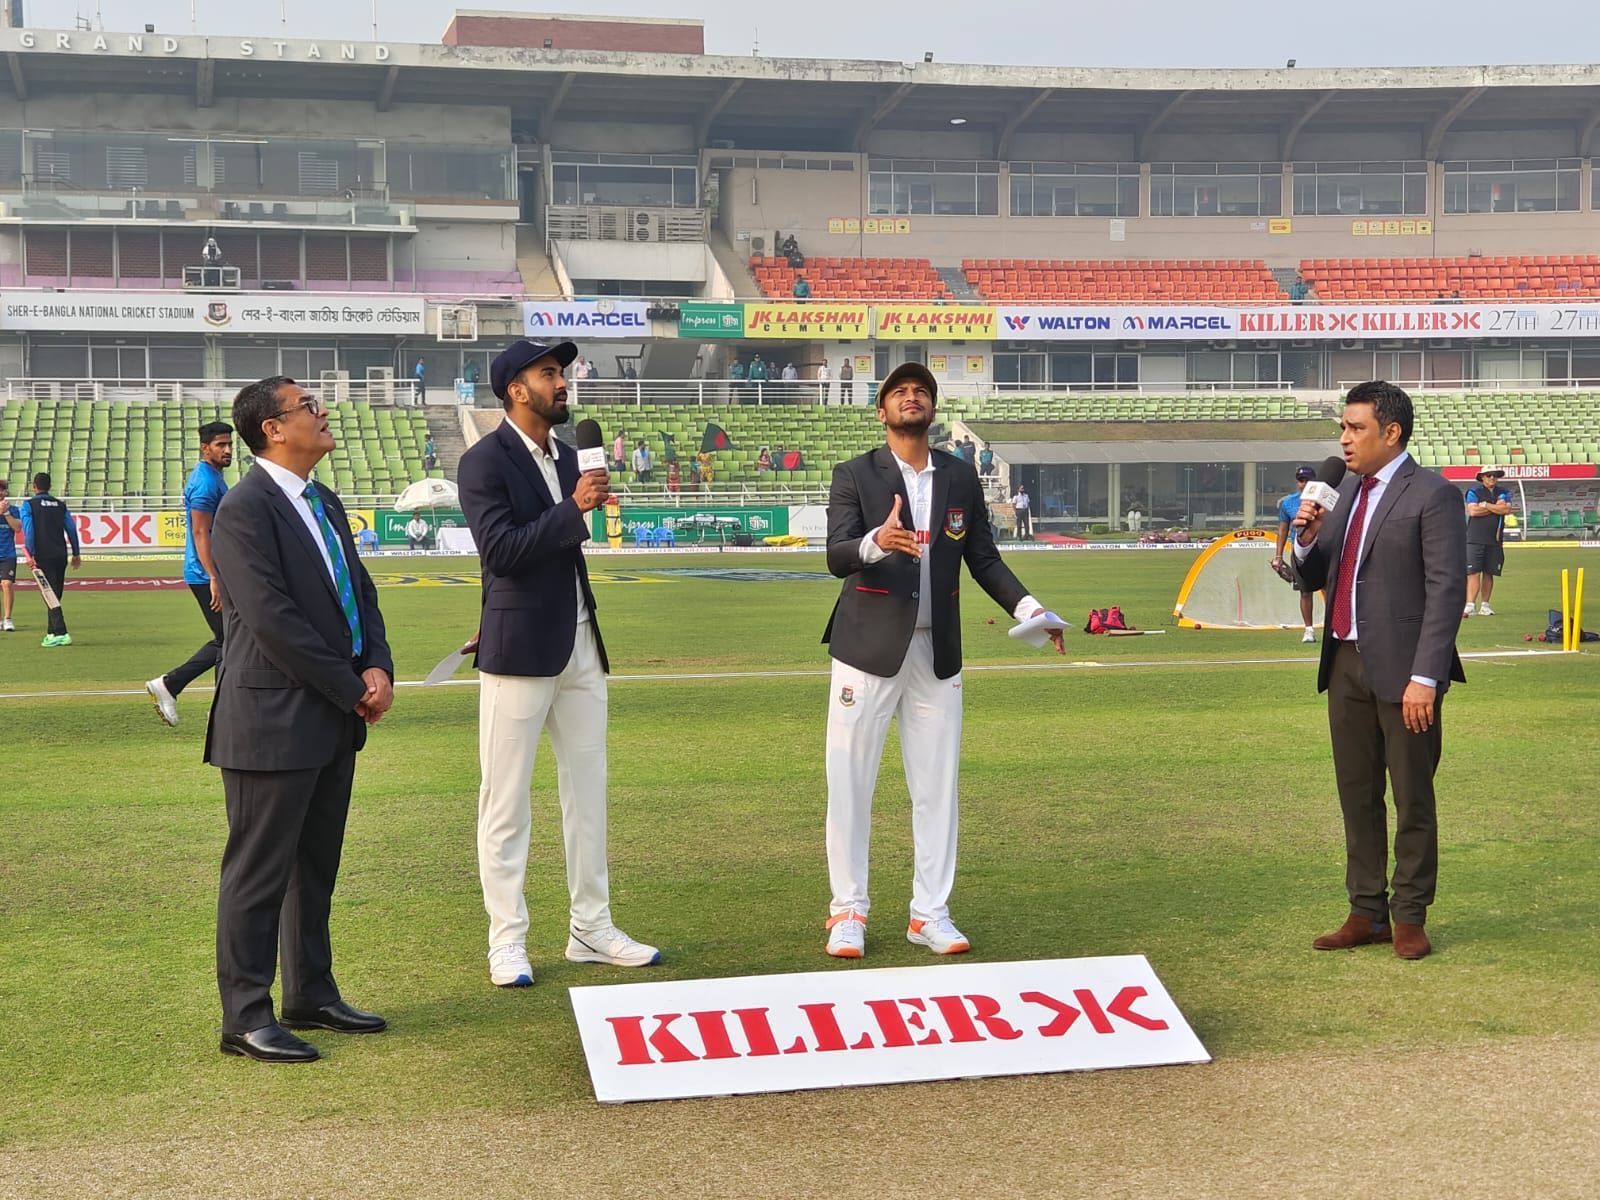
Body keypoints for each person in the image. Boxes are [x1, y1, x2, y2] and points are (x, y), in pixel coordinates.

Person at [820, 363, 1065, 960]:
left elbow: (983, 558)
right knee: (850, 784)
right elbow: (835, 554)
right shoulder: (854, 473)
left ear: (932, 409)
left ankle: (929, 913)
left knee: (937, 788)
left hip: (937, 650)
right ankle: (847, 911)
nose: (911, 397)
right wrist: (878, 542)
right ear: (882, 412)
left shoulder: (958, 477)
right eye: (900, 392)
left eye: (921, 391)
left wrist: (1032, 607)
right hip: (866, 649)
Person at [456, 339, 660, 988]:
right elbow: (502, 550)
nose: (563, 382)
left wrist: (576, 507)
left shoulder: (571, 457)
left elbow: (560, 545)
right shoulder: (483, 463)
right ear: (517, 389)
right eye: (550, 373)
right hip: (518, 653)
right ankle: (506, 940)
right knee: (506, 802)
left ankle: (590, 929)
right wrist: (572, 509)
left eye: (562, 373)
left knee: (588, 795)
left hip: (580, 646)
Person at [207, 376, 394, 1062]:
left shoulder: (325, 502)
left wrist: (377, 665)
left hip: (330, 713)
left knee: (314, 867)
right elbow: (273, 622)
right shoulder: (244, 510)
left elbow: (359, 594)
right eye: (309, 406)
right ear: (273, 430)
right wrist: (350, 686)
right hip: (270, 720)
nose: (323, 413)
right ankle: (245, 1016)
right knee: (257, 873)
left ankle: (310, 992)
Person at [1287, 380, 1466, 962]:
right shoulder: (1344, 495)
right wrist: (1305, 538)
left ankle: (1410, 914)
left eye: (1355, 428)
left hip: (1406, 671)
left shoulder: (1432, 494)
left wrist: (1426, 677)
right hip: (1344, 664)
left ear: (1391, 432)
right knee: (1356, 794)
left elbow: (1444, 591)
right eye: (1341, 427)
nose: (1343, 439)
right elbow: (1311, 578)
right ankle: (1367, 911)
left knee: (1412, 796)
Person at [145, 421, 234, 727]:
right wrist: (214, 577)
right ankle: (175, 687)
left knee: (229, 638)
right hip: (205, 574)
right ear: (204, 447)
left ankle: (200, 698)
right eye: (221, 445)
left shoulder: (213, 477)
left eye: (230, 444)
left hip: (213, 572)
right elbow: (200, 532)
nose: (227, 450)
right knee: (229, 639)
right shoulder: (206, 483)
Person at [18, 472, 80, 647]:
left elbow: (29, 531)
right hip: (60, 554)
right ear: (49, 486)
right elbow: (71, 529)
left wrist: (30, 554)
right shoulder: (60, 505)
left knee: (48, 592)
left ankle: (61, 632)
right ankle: (51, 632)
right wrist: (76, 553)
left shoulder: (28, 505)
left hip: (42, 555)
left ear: (34, 486)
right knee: (55, 592)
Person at [1273, 465, 1320, 643]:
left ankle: (1334, 627)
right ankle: (1309, 630)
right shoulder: (1289, 503)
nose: (1304, 483)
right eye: (1301, 480)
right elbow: (1283, 530)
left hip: (1323, 548)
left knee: (1329, 589)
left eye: (1308, 480)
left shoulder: (1324, 500)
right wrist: (1278, 556)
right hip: (1300, 551)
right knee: (1305, 591)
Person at [1464, 467, 1513, 616]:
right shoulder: (1474, 491)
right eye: (1489, 475)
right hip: (1475, 538)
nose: (1492, 478)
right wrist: (1495, 508)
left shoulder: (1503, 492)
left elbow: (1505, 510)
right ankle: (1470, 605)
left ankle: (1485, 605)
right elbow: (1473, 511)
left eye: (1495, 475)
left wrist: (1485, 505)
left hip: (1495, 539)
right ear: (1482, 477)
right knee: (1473, 572)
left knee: (1489, 572)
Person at [0, 480, 20, 631]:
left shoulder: (13, 509)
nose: (0, 493)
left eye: (2, 490)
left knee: (7, 584)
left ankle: (7, 618)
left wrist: (6, 513)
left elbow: (18, 528)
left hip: (8, 554)